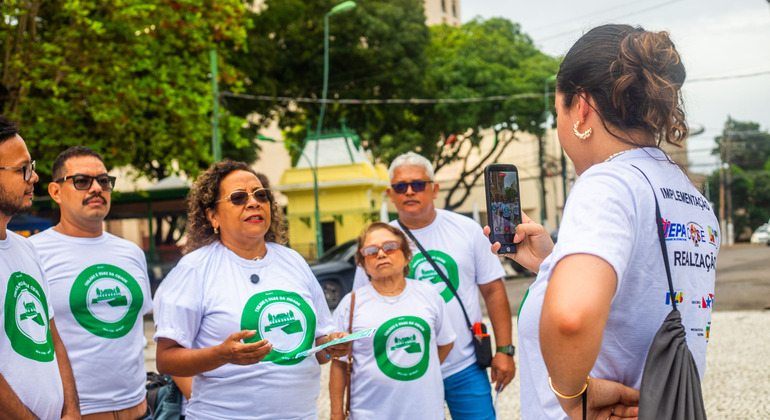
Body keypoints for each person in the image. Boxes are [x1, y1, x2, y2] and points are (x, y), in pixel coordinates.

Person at [485, 24, 720, 419]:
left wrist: (573, 397)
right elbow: (640, 295)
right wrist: (553, 265)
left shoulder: (607, 183)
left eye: (556, 113)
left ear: (581, 108)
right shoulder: (690, 196)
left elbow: (571, 318)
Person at [153, 159, 351, 419]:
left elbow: (319, 348)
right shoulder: (194, 269)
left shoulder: (293, 262)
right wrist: (222, 355)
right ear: (213, 216)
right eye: (238, 198)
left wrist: (332, 344)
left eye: (261, 195)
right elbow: (166, 359)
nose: (253, 202)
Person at [351, 152, 515, 420]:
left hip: (465, 366)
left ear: (435, 189)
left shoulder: (466, 230)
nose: (409, 192)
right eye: (400, 187)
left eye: (418, 184)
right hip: (406, 370)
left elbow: (493, 290)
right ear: (390, 194)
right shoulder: (378, 243)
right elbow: (360, 305)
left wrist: (505, 350)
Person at [29, 146, 153, 419]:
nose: (97, 188)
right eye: (82, 181)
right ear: (55, 192)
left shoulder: (132, 253)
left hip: (141, 410)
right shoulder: (31, 254)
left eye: (104, 181)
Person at [329, 222, 456, 420]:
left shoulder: (429, 295)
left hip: (425, 412)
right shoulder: (350, 304)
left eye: (390, 247)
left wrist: (416, 370)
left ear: (406, 256)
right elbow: (338, 364)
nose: (381, 254)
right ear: (362, 263)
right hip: (369, 413)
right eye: (371, 251)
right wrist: (336, 413)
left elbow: (446, 343)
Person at [0, 115, 80, 419]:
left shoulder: (25, 249)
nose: (34, 177)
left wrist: (71, 410)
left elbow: (52, 338)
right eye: (23, 169)